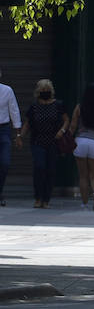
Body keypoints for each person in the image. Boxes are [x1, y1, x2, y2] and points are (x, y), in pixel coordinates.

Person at [24, 79, 67, 208]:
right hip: (37, 141)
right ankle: (38, 197)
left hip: (53, 142)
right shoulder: (34, 107)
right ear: (38, 92)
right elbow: (27, 123)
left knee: (50, 170)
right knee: (39, 167)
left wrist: (62, 131)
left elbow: (66, 120)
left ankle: (46, 199)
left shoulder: (58, 105)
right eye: (42, 90)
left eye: (47, 90)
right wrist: (20, 136)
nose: (45, 92)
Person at [70, 83, 94, 210]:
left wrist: (68, 139)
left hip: (81, 142)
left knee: (83, 175)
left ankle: (85, 203)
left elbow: (73, 127)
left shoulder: (79, 108)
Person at [0, 67, 22, 206]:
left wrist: (18, 133)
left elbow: (14, 110)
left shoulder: (7, 90)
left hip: (3, 128)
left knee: (5, 163)